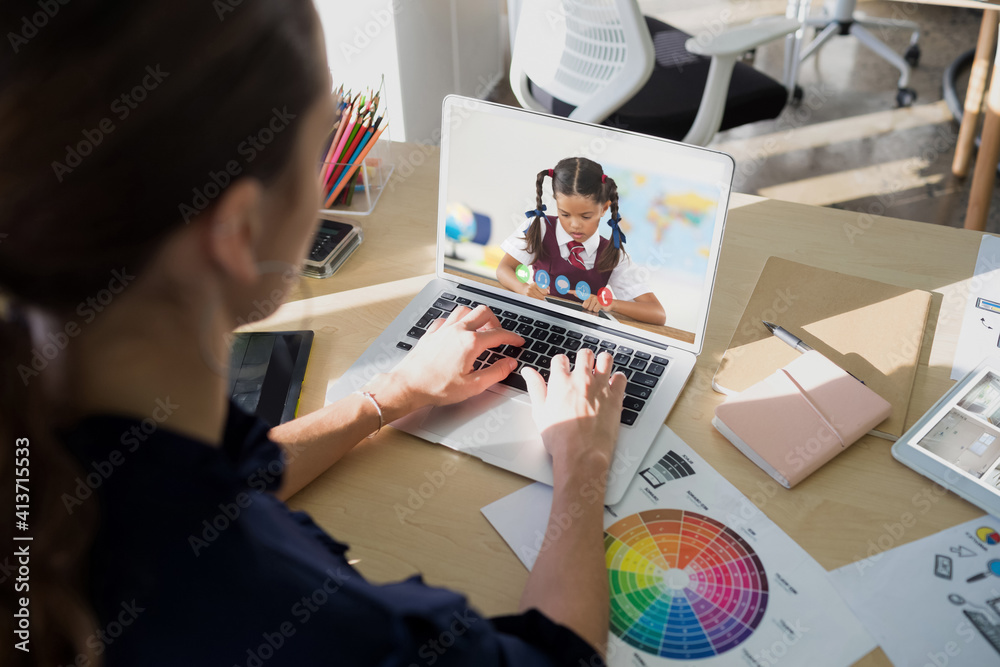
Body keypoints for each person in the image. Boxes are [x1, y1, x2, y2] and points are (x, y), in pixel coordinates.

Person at [0, 1, 626, 666]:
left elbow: (195, 489)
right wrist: (581, 462)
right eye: (322, 141)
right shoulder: (322, 630)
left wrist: (388, 396)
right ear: (238, 231)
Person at [496, 157, 666, 326]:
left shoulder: (613, 254)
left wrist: (609, 303)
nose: (575, 225)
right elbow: (504, 269)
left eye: (586, 216)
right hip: (536, 322)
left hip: (582, 334)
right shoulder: (539, 227)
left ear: (604, 208)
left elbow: (657, 313)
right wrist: (523, 288)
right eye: (565, 214)